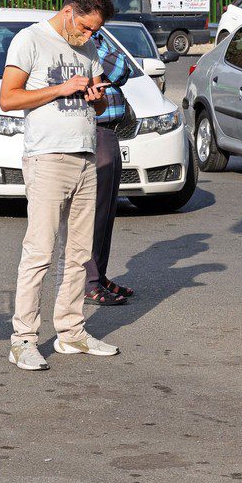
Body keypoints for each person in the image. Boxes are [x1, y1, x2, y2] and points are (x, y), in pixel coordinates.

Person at [0, 0, 117, 371]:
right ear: (69, 11)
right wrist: (60, 88)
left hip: (85, 155)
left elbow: (97, 108)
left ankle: (70, 333)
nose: (89, 35)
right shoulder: (30, 41)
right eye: (85, 27)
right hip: (47, 158)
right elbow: (9, 98)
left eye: (95, 31)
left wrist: (97, 99)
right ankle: (24, 339)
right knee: (40, 252)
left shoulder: (89, 47)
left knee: (80, 254)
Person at [84, 30, 136, 306]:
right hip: (94, 130)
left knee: (107, 211)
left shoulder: (100, 38)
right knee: (94, 210)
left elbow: (124, 71)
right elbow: (118, 69)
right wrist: (104, 53)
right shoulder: (84, 40)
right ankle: (88, 281)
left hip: (111, 130)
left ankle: (99, 275)